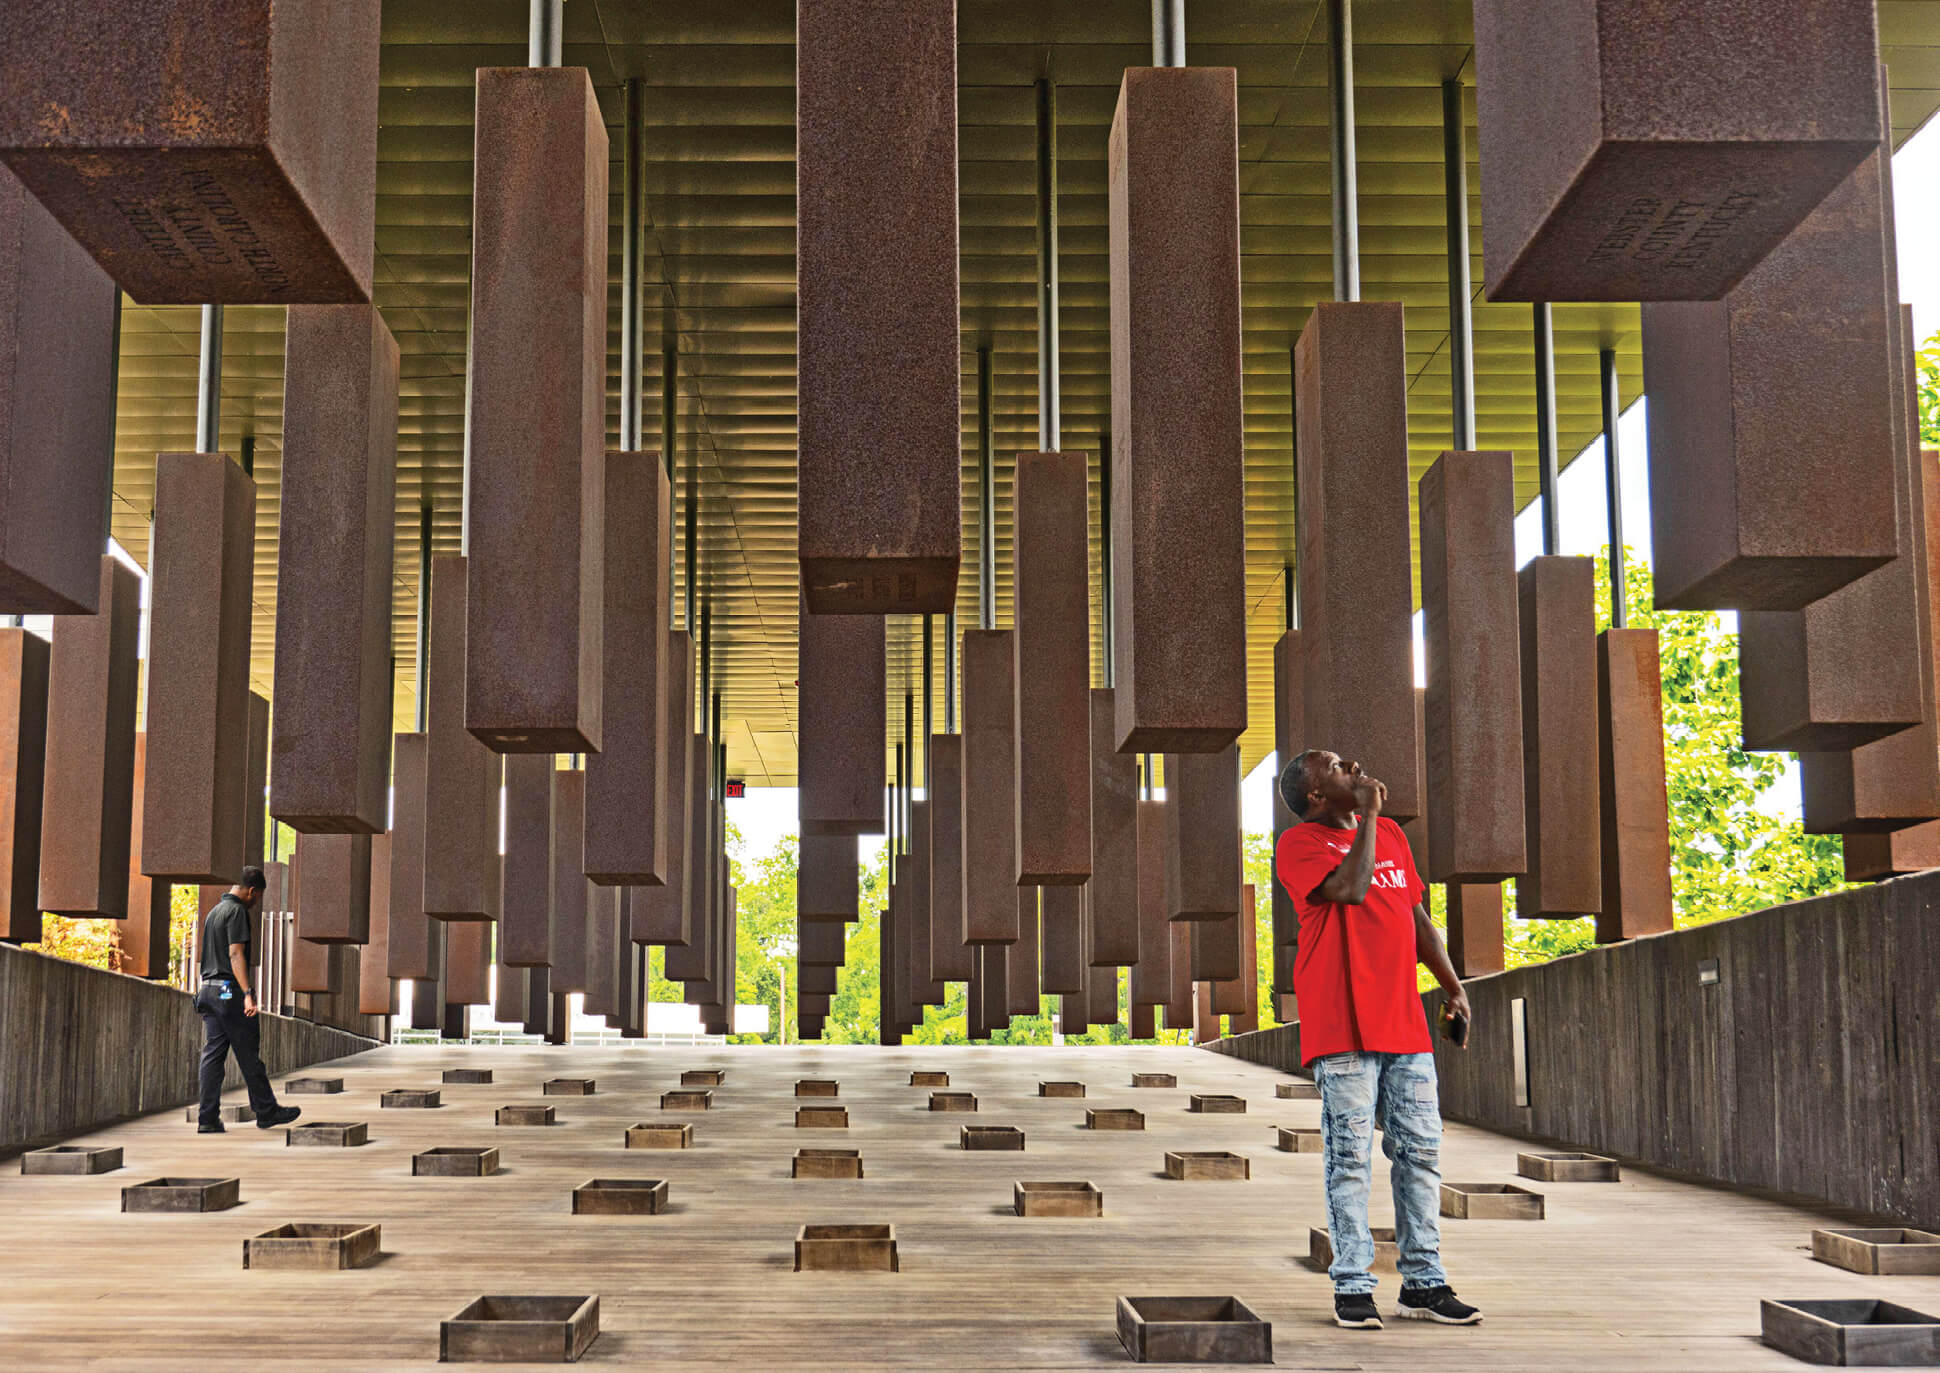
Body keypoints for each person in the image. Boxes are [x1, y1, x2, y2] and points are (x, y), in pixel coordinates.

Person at [1275, 749, 1479, 1330]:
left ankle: (1424, 1282)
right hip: (1341, 1026)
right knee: (1350, 1160)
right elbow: (1350, 890)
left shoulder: (1388, 832)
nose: (1356, 767)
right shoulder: (1301, 845)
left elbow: (1415, 916)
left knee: (1420, 1154)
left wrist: (1452, 986)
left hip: (1404, 1024)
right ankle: (1354, 1283)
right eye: (1339, 768)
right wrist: (1365, 820)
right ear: (1316, 796)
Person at [193, 867, 299, 1133]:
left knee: (213, 1055)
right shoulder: (237, 911)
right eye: (258, 896)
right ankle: (266, 1111)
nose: (256, 902)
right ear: (252, 891)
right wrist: (248, 994)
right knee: (249, 1052)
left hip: (207, 989)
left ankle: (207, 1119)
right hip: (229, 991)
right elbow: (235, 953)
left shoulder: (213, 913)